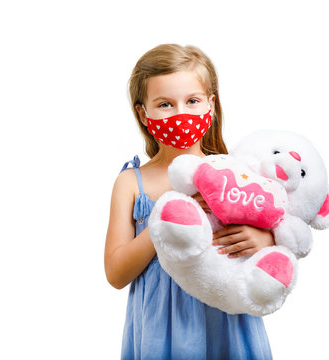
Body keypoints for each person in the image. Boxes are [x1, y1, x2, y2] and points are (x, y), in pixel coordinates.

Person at [104, 44, 274, 359]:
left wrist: (265, 239)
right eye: (165, 104)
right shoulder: (131, 183)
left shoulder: (235, 171)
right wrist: (169, 216)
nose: (181, 113)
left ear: (210, 104)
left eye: (192, 101)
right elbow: (115, 274)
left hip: (229, 325)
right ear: (144, 113)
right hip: (161, 334)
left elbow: (279, 234)